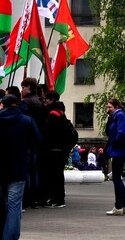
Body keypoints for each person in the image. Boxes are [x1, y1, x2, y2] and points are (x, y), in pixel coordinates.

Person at [0, 94, 42, 238]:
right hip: (18, 169)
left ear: (2, 105)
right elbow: (38, 141)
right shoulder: (27, 121)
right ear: (17, 105)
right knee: (14, 206)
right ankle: (10, 237)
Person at [19, 77, 45, 211]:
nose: (22, 90)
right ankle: (35, 198)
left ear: (28, 87)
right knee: (35, 170)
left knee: (27, 169)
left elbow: (22, 120)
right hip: (37, 138)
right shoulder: (40, 102)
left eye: (23, 87)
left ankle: (27, 198)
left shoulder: (25, 103)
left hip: (27, 139)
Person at [40, 90, 70, 208]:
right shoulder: (60, 112)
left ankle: (57, 199)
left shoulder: (53, 114)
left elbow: (50, 132)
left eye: (46, 99)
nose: (44, 101)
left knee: (54, 175)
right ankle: (58, 198)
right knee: (58, 174)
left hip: (54, 148)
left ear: (52, 100)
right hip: (61, 149)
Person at [105, 98, 125, 215]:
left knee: (116, 179)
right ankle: (124, 206)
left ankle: (118, 206)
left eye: (109, 107)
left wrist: (114, 143)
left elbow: (120, 132)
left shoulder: (119, 115)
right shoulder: (115, 116)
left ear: (116, 106)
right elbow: (108, 131)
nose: (108, 109)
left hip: (119, 151)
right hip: (119, 151)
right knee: (118, 178)